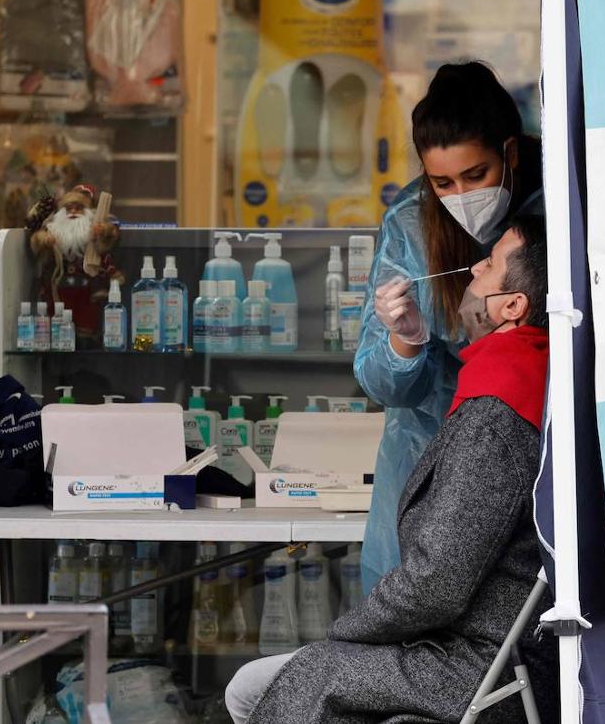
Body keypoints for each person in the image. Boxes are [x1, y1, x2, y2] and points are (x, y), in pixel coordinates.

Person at [228, 215, 555, 724]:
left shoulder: (499, 405)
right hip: (476, 653)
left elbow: (436, 582)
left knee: (263, 686)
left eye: (488, 265)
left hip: (475, 667)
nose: (473, 267)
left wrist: (343, 634)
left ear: (512, 306)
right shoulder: (518, 377)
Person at [355, 61, 543, 591]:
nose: (459, 195)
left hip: (532, 460)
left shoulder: (563, 203)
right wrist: (403, 340)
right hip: (429, 463)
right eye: (441, 182)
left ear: (509, 151)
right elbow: (382, 381)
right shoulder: (410, 226)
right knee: (410, 612)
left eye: (475, 175)